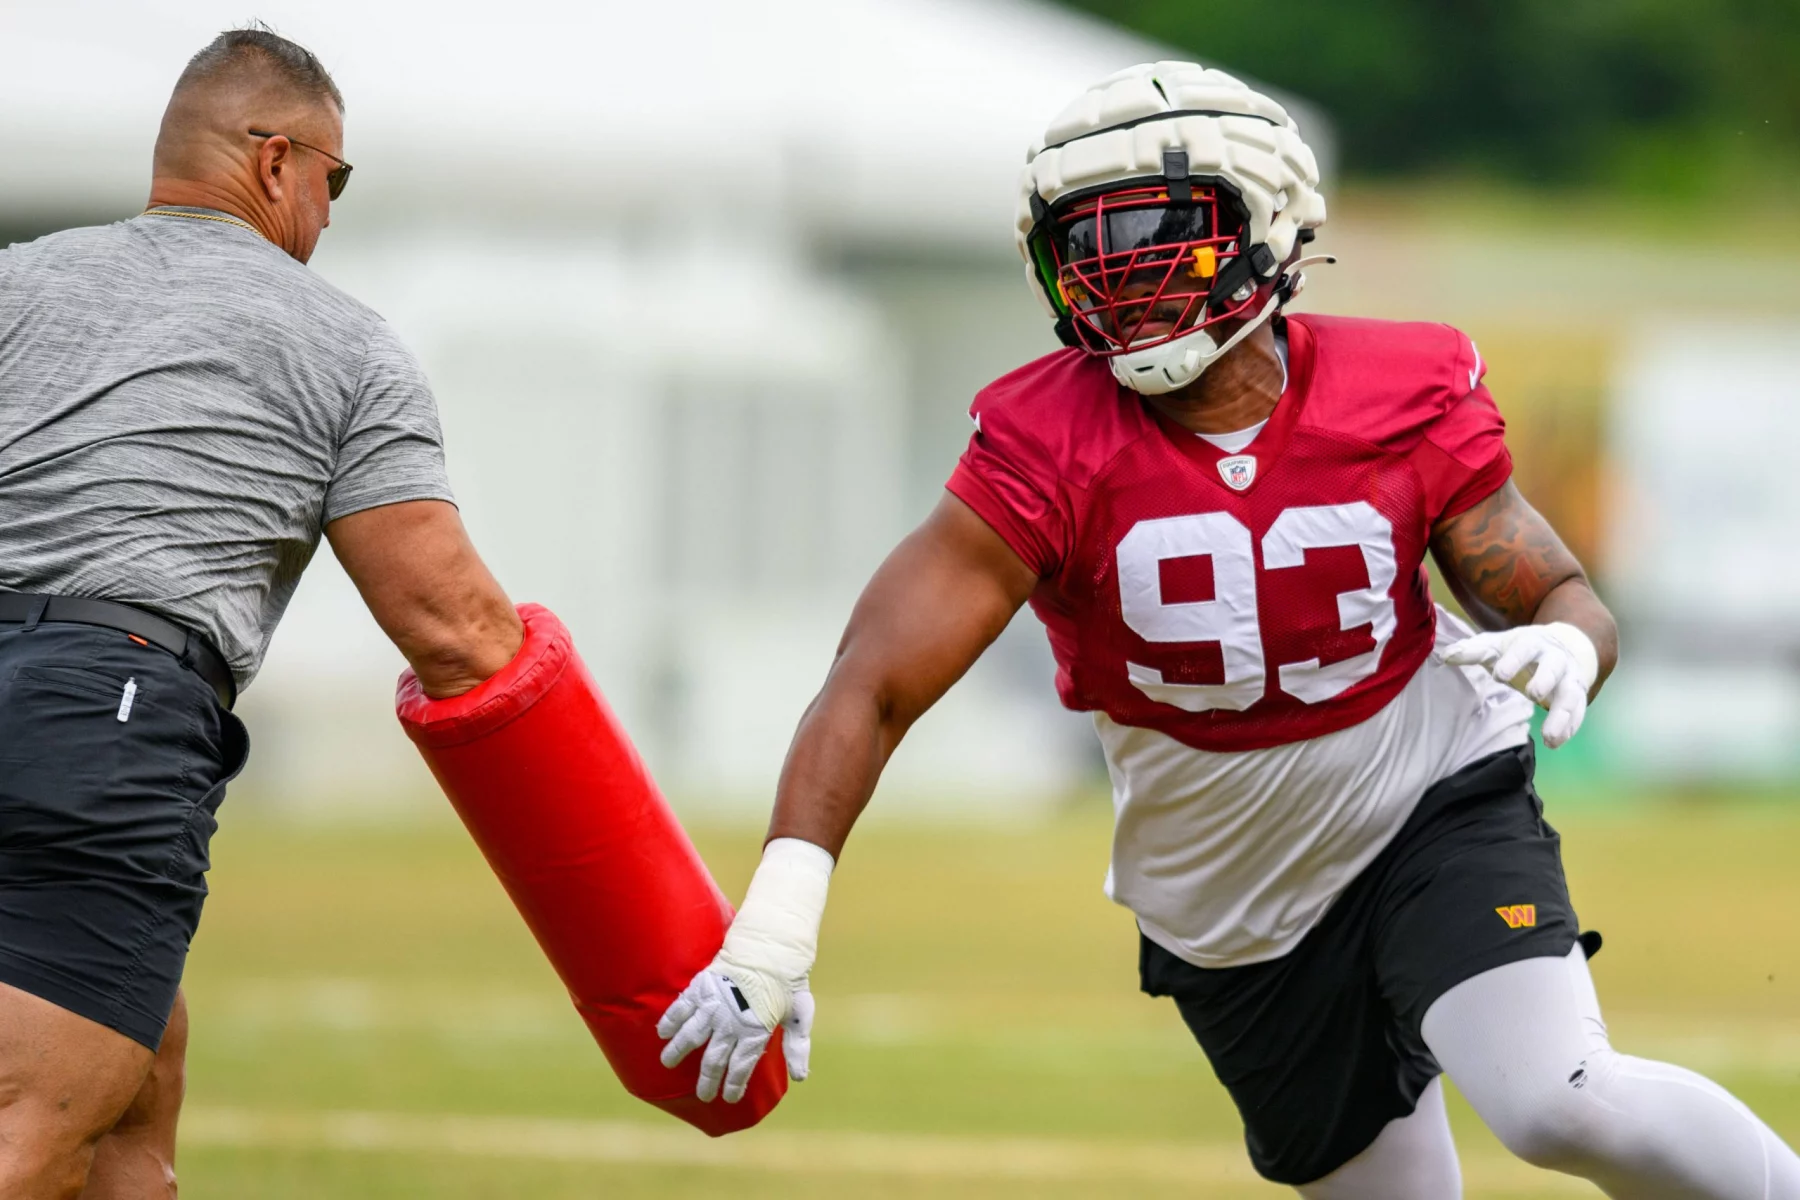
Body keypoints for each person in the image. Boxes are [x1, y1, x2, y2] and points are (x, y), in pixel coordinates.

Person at [657, 61, 1800, 1197]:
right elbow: (872, 684)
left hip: (1428, 802)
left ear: (1267, 225)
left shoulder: (1400, 389)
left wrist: (1570, 644)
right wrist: (773, 932)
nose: (1125, 270)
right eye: (1091, 244)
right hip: (1227, 901)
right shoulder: (1043, 442)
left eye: (1162, 230)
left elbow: (1559, 594)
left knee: (1562, 1102)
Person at [0, 27, 520, 1199]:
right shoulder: (343, 344)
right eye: (335, 179)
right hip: (109, 713)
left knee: (140, 1077)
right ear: (275, 160)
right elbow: (451, 628)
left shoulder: (16, 280)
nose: (331, 214)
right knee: (33, 1123)